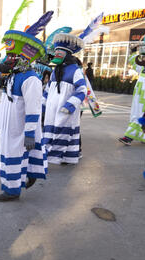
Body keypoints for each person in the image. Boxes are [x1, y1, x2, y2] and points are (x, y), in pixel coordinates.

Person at [0, 2, 52, 201]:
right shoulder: (14, 75)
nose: (7, 60)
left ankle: (12, 191)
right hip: (8, 129)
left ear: (22, 58)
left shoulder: (31, 79)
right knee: (9, 158)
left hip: (19, 130)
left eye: (11, 56)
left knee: (15, 159)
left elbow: (34, 109)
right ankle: (22, 178)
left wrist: (28, 134)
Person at [42, 14, 104, 165]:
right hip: (52, 109)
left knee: (64, 132)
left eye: (59, 52)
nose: (56, 54)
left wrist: (69, 106)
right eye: (55, 52)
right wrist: (42, 105)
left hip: (66, 108)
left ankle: (57, 157)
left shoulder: (75, 70)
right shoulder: (55, 71)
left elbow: (82, 90)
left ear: (67, 55)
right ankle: (63, 157)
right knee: (53, 132)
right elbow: (48, 89)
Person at [118, 32, 145, 146]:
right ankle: (142, 137)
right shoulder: (142, 68)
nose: (144, 58)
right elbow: (133, 60)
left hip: (144, 101)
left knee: (138, 116)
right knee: (136, 115)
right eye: (144, 56)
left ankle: (128, 137)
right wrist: (133, 51)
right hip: (138, 98)